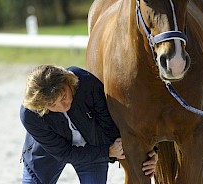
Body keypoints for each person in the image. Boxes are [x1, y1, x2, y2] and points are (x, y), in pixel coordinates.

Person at [19, 65, 158, 183]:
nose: (62, 106)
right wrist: (108, 151)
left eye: (64, 97)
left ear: (69, 82)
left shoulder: (85, 82)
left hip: (94, 148)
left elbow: (113, 124)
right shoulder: (30, 114)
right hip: (48, 154)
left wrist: (150, 153)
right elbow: (64, 153)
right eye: (52, 105)